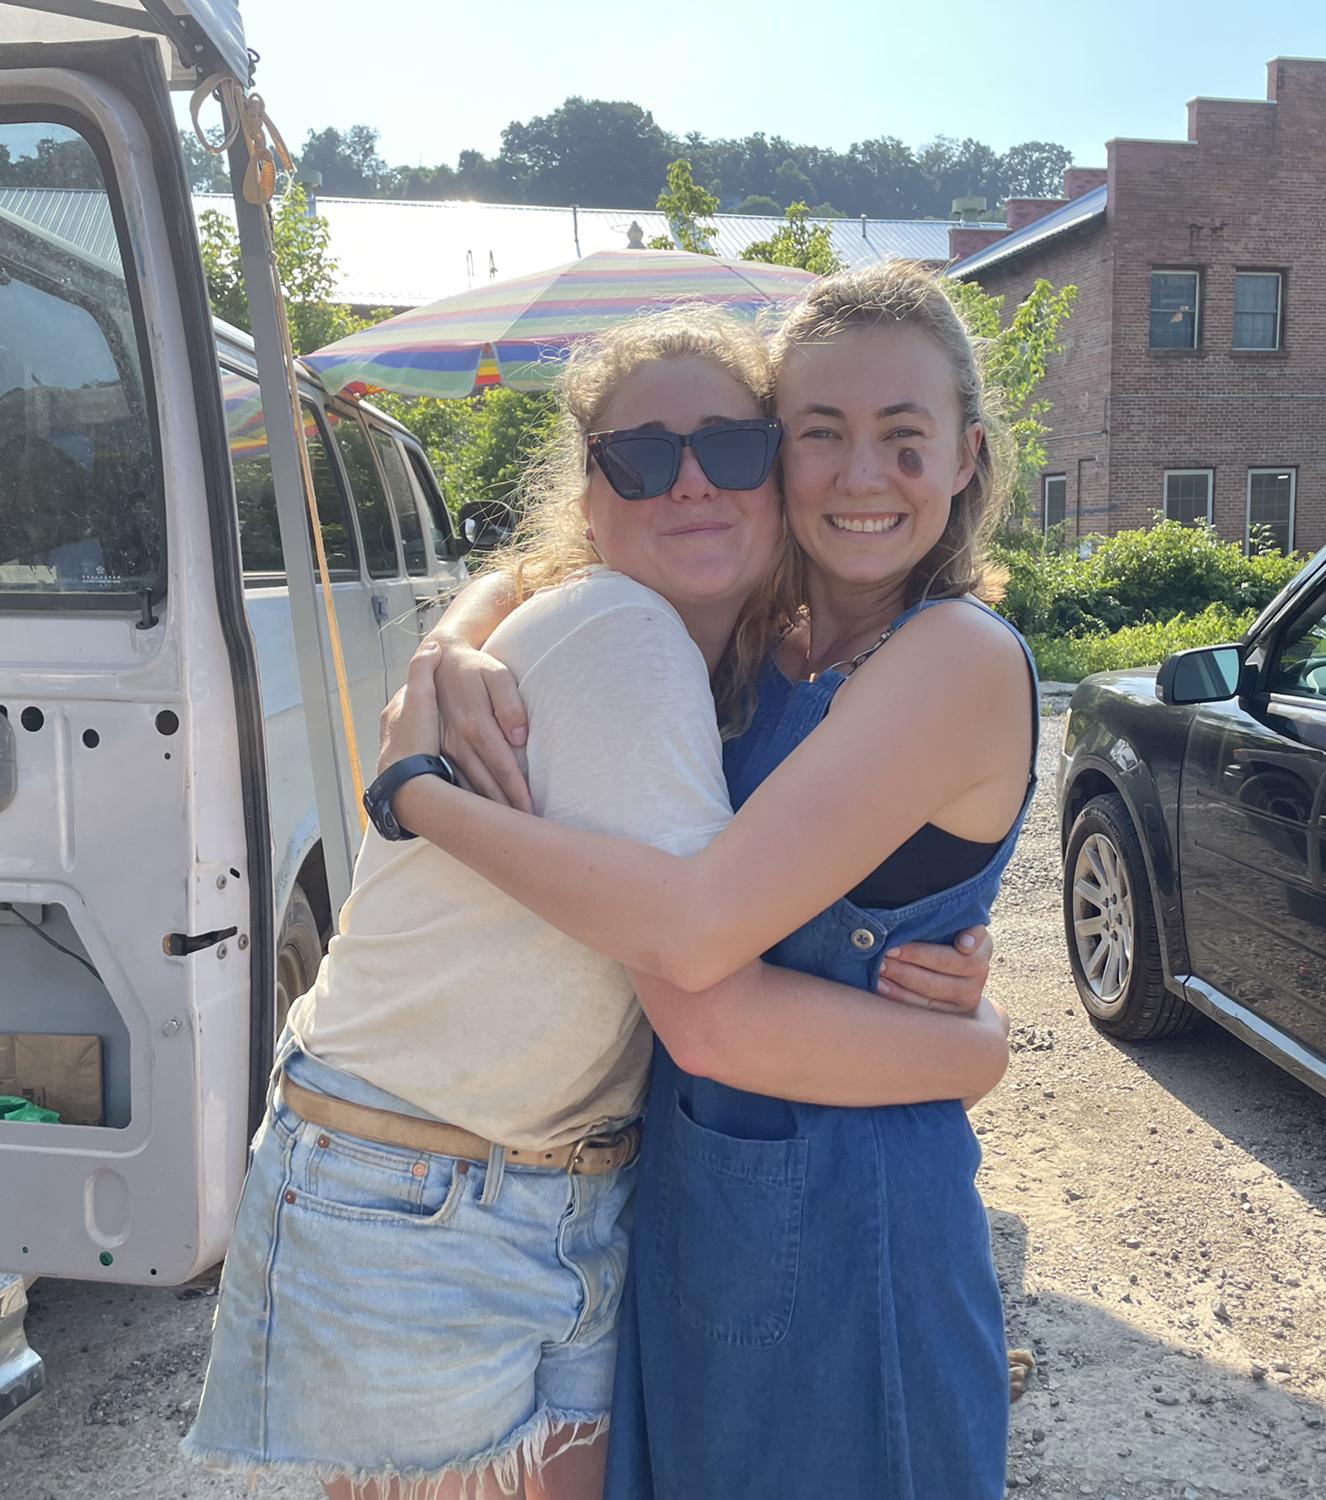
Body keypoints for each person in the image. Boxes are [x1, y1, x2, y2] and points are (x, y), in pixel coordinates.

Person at [181, 306, 1005, 1500]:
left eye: (730, 450)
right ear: (591, 490)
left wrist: (431, 715)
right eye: (639, 458)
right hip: (425, 1196)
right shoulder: (631, 634)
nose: (690, 486)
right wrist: (975, 1051)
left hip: (519, 1182)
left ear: (770, 477)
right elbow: (699, 977)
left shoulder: (748, 656)